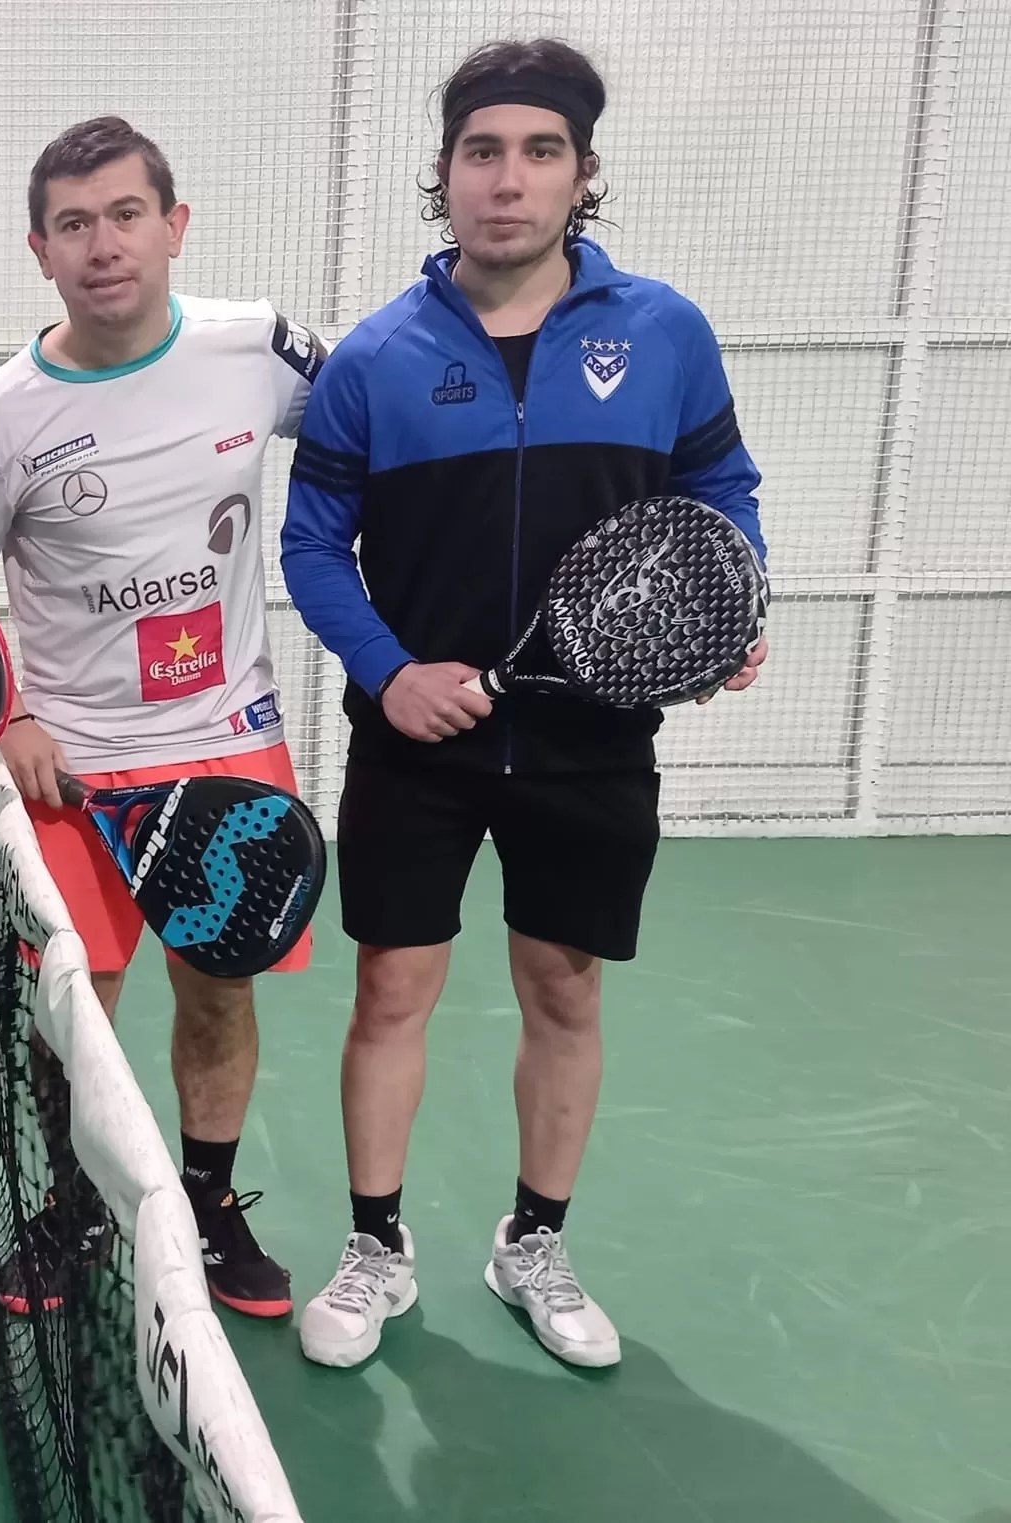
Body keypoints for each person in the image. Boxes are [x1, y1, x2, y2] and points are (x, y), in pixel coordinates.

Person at [280, 38, 769, 1370]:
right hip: (415, 747)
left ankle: (533, 1240)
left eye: (539, 151)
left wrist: (735, 600)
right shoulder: (373, 358)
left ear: (582, 173)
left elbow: (724, 492)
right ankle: (377, 1244)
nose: (509, 178)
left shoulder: (660, 333)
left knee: (565, 986)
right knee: (394, 985)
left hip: (590, 739)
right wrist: (390, 670)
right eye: (482, 151)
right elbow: (313, 547)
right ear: (443, 176)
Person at [0, 116, 325, 1320]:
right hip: (73, 766)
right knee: (77, 1015)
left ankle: (207, 1204)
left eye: (123, 215)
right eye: (72, 224)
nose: (101, 244)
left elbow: (380, 445)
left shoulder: (257, 347)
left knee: (219, 991)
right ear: (37, 250)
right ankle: (72, 1208)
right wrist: (3, 710)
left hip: (228, 735)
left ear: (173, 225)